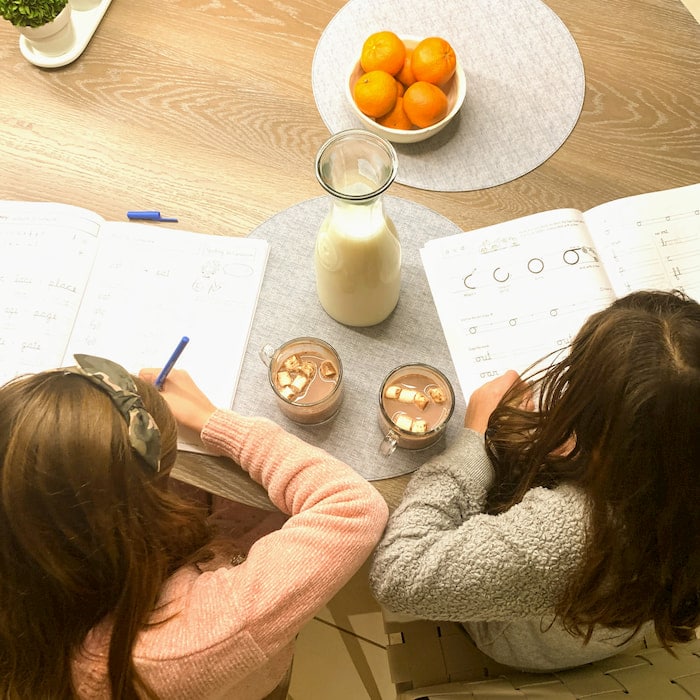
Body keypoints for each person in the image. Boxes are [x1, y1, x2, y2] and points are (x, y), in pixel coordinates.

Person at [0, 354, 389, 698]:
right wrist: (212, 421)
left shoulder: (33, 546)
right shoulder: (192, 639)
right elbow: (352, 506)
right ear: (129, 520)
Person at [369, 289, 700, 672]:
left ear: (606, 447)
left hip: (518, 642)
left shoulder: (576, 534)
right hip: (588, 620)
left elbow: (398, 573)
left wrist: (474, 438)